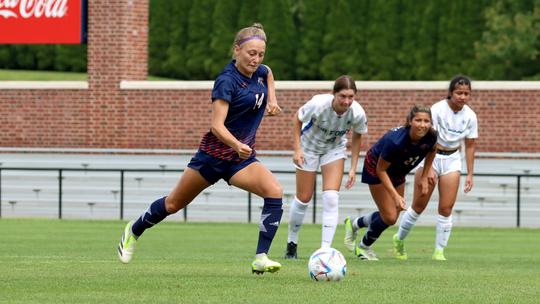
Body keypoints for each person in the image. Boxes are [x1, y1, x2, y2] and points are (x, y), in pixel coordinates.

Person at [117, 23, 285, 274]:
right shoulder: (226, 81)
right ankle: (134, 229)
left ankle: (261, 257)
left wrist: (272, 99)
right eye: (251, 53)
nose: (256, 59)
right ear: (237, 50)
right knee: (173, 204)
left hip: (240, 161)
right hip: (213, 157)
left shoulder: (260, 71)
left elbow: (268, 73)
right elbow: (216, 125)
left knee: (274, 192)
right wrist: (237, 144)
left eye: (261, 54)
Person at [393, 75, 478, 261]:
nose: (462, 97)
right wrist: (427, 167)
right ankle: (399, 240)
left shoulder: (470, 116)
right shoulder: (437, 109)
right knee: (418, 206)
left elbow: (470, 145)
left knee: (446, 207)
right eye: (459, 93)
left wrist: (470, 173)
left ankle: (439, 251)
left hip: (452, 159)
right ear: (450, 93)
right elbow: (426, 138)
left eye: (466, 93)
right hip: (430, 157)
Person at [284, 75, 368, 259]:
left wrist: (353, 167)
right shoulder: (318, 104)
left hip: (334, 150)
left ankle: (324, 251)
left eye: (351, 97)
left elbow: (357, 136)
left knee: (331, 197)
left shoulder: (357, 113)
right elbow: (297, 119)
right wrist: (297, 149)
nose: (346, 101)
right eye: (342, 96)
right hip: (309, 148)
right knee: (304, 198)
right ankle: (292, 243)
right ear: (334, 94)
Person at [343, 105, 437, 260]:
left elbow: (432, 151)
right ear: (409, 121)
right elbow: (381, 170)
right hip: (376, 168)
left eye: (426, 121)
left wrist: (425, 176)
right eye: (418, 120)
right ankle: (363, 247)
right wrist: (394, 195)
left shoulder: (431, 136)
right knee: (390, 217)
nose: (422, 125)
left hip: (398, 170)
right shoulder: (396, 141)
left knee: (393, 213)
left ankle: (355, 223)